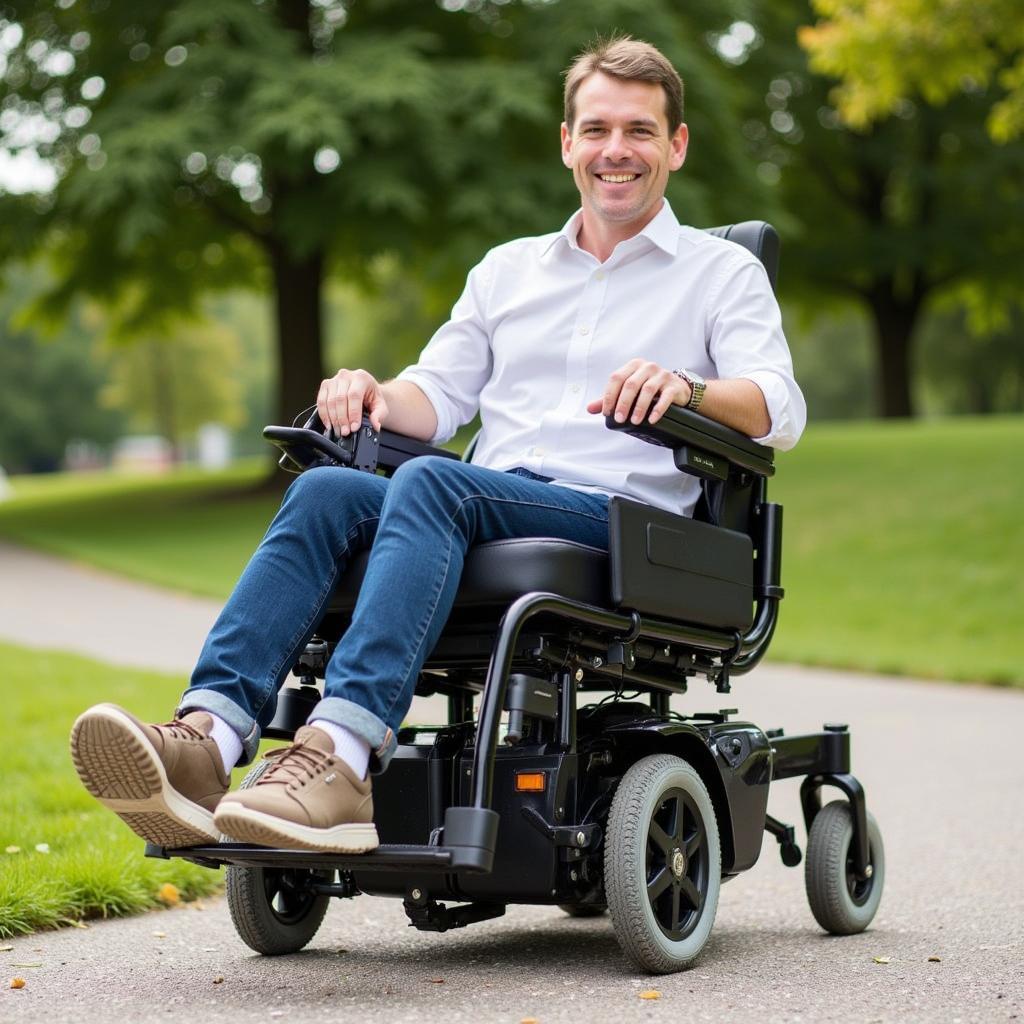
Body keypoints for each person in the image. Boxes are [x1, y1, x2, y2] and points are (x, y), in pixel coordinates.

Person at [70, 36, 805, 855]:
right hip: (483, 502)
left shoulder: (719, 272)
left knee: (430, 483)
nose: (615, 151)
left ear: (676, 145)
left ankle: (341, 757)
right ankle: (208, 740)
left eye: (639, 130)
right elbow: (437, 396)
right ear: (567, 144)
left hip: (618, 521)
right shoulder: (508, 271)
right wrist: (374, 395)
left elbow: (779, 405)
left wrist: (689, 389)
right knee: (326, 492)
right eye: (595, 130)